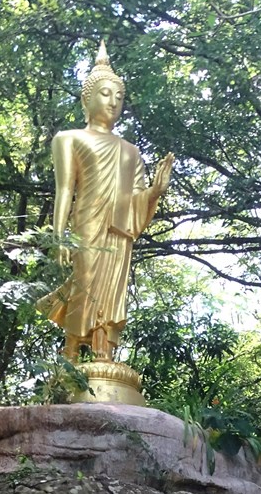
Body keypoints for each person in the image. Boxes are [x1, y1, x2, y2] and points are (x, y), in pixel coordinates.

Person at [37, 41, 174, 361]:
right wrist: (60, 235)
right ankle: (70, 353)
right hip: (87, 222)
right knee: (84, 283)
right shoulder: (69, 139)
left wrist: (155, 191)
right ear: (87, 98)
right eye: (105, 93)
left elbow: (137, 197)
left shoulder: (131, 151)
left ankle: (104, 354)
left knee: (111, 289)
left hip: (119, 230)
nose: (113, 102)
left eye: (119, 96)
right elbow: (64, 189)